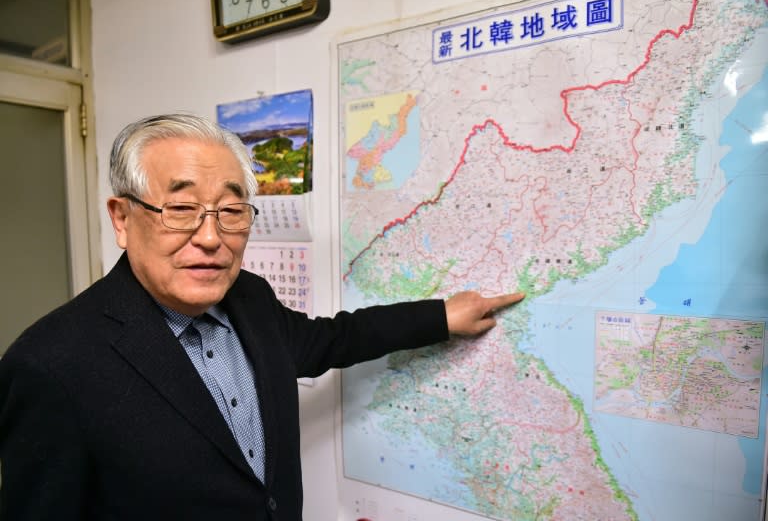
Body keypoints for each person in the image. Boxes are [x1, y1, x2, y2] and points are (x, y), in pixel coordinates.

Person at [0, 113, 525, 520]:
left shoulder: (248, 297)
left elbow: (331, 340)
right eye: (181, 210)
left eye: (231, 211)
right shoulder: (51, 365)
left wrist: (441, 317)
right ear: (122, 218)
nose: (210, 238)